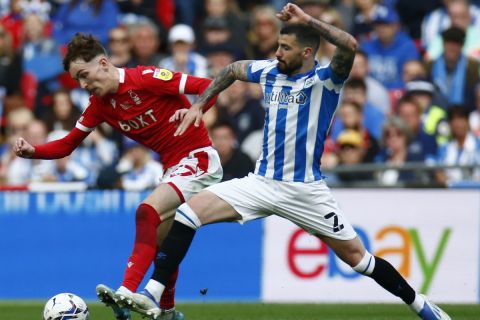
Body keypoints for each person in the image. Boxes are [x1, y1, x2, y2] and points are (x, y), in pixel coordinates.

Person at [121, 3, 451, 320]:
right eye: (278, 45)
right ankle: (153, 292)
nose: (277, 53)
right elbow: (232, 70)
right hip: (261, 183)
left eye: (286, 48)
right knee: (188, 213)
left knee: (358, 259)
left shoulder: (326, 80)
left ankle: (420, 304)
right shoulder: (269, 72)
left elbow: (349, 44)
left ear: (307, 52)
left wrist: (308, 20)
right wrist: (200, 104)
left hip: (305, 190)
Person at [12, 33, 222, 320]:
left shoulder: (146, 77)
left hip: (198, 158)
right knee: (164, 244)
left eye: (84, 75)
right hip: (173, 168)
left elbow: (208, 85)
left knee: (147, 211)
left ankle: (126, 290)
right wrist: (32, 150)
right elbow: (67, 144)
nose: (84, 85)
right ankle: (168, 313)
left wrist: (195, 109)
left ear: (103, 63)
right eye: (78, 81)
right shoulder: (98, 105)